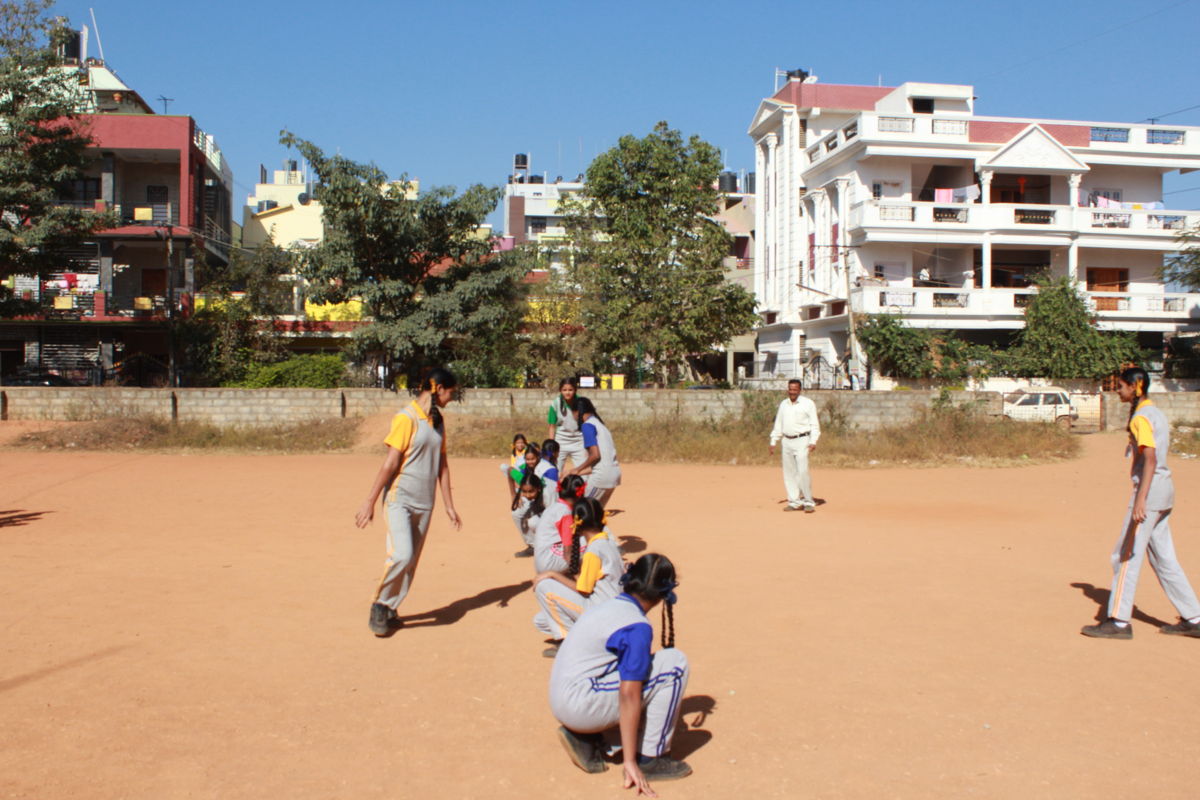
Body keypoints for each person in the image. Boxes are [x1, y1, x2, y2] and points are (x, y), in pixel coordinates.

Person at [549, 553, 692, 790]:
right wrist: (630, 761)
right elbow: (629, 694)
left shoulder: (610, 605)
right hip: (578, 705)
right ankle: (651, 759)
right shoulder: (636, 626)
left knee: (640, 670)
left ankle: (588, 738)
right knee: (674, 665)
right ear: (663, 595)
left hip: (564, 699)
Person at [1082, 367, 1200, 640]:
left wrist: (1141, 499)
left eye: (1121, 386)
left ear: (1134, 387)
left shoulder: (1141, 418)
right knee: (1164, 558)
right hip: (1164, 490)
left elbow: (1150, 458)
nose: (1117, 391)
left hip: (1151, 493)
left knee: (1125, 556)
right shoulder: (1155, 412)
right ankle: (1194, 618)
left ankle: (1119, 622)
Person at [356, 368, 462, 636]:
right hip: (399, 498)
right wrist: (369, 501)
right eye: (451, 392)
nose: (452, 397)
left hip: (425, 502)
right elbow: (390, 463)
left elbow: (442, 466)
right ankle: (379, 604)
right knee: (401, 555)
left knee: (411, 561)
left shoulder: (438, 422)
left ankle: (391, 607)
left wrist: (449, 506)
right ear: (439, 389)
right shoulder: (407, 418)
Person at [533, 497, 625, 655]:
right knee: (542, 620)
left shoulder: (593, 551)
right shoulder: (608, 543)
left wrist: (552, 574)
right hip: (612, 611)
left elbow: (583, 590)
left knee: (544, 586)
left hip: (601, 612)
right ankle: (589, 637)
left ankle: (569, 644)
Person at [769, 378, 820, 513]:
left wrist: (813, 441)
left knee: (802, 472)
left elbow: (814, 424)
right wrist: (774, 441)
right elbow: (778, 423)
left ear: (800, 390)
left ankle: (808, 501)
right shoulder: (784, 404)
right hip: (786, 441)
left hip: (802, 440)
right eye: (790, 389)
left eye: (795, 390)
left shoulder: (808, 404)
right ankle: (794, 501)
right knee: (789, 473)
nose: (792, 392)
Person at [563, 397, 621, 508]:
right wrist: (575, 472)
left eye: (572, 413)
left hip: (601, 478)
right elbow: (600, 462)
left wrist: (577, 469)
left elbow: (595, 455)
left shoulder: (587, 426)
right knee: (596, 514)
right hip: (614, 475)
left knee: (582, 509)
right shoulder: (601, 425)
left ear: (577, 412)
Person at [547, 377, 588, 471]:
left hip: (578, 442)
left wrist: (588, 445)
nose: (567, 392)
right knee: (555, 471)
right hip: (560, 442)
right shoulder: (555, 404)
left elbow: (587, 425)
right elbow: (552, 427)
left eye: (570, 390)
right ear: (560, 390)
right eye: (564, 390)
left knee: (583, 472)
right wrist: (552, 446)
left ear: (575, 390)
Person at [510, 471, 546, 559]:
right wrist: (514, 495)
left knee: (533, 522)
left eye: (531, 491)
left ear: (538, 488)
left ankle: (549, 547)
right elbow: (509, 470)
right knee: (516, 513)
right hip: (536, 502)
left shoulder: (547, 496)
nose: (527, 495)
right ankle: (533, 546)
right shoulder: (524, 481)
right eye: (524, 491)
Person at [500, 433, 528, 501]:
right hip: (516, 473)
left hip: (524, 473)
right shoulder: (514, 454)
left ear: (525, 443)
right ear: (514, 444)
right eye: (518, 443)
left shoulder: (527, 452)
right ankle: (515, 483)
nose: (520, 445)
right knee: (503, 466)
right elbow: (513, 466)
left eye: (522, 443)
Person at [536, 440, 561, 508]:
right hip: (547, 503)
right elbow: (553, 491)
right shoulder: (551, 470)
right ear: (554, 453)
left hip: (537, 499)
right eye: (558, 452)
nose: (558, 455)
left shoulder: (539, 463)